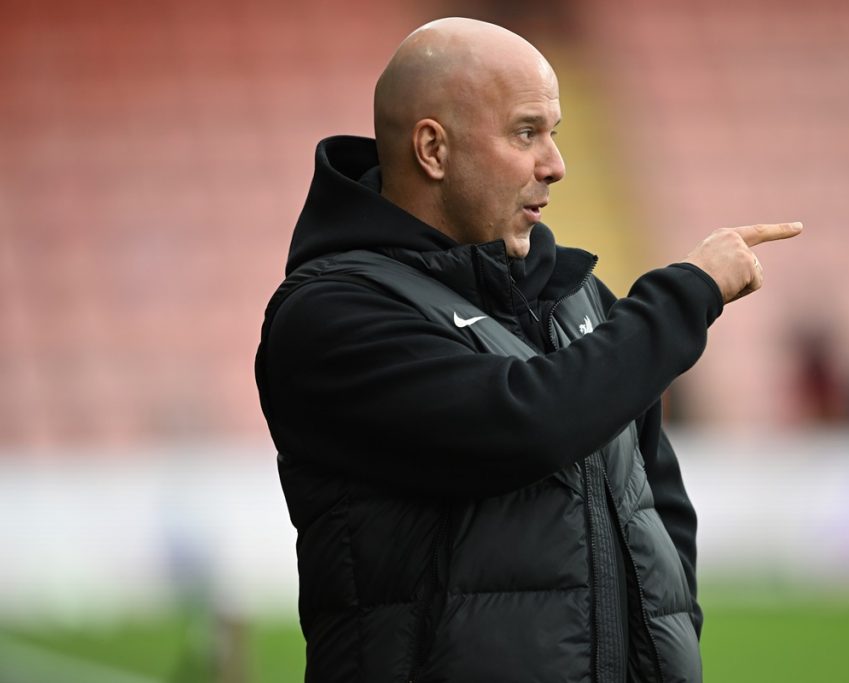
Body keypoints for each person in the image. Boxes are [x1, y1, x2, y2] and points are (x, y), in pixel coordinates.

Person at [255, 17, 801, 683]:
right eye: (526, 132)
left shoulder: (575, 296)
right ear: (433, 149)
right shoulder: (333, 316)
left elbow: (655, 505)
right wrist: (686, 296)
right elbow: (525, 423)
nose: (557, 164)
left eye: (556, 133)